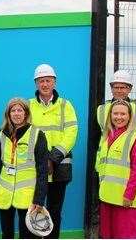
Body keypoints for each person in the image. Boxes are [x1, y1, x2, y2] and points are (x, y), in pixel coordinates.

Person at [0, 98, 48, 238]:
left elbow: (42, 169)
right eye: (13, 110)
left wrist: (39, 198)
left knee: (27, 234)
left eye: (20, 110)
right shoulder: (2, 134)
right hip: (5, 193)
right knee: (6, 233)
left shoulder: (37, 134)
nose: (16, 113)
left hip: (27, 195)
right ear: (8, 114)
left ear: (26, 114)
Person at [28, 64, 78, 238]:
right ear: (36, 84)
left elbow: (71, 133)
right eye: (41, 81)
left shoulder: (66, 105)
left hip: (60, 167)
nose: (45, 84)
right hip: (35, 167)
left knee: (55, 211)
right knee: (35, 209)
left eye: (48, 80)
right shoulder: (29, 106)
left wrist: (53, 158)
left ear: (54, 83)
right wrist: (42, 159)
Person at [97, 99, 136, 238]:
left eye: (123, 114)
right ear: (110, 115)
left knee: (128, 235)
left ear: (129, 117)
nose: (118, 117)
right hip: (108, 198)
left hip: (126, 201)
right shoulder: (107, 136)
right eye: (115, 113)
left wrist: (129, 195)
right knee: (109, 235)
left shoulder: (135, 138)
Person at [96, 70, 136, 150]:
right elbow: (94, 139)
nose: (119, 91)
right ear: (111, 89)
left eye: (122, 87)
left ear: (130, 89)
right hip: (104, 161)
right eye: (116, 87)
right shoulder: (101, 111)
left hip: (131, 161)